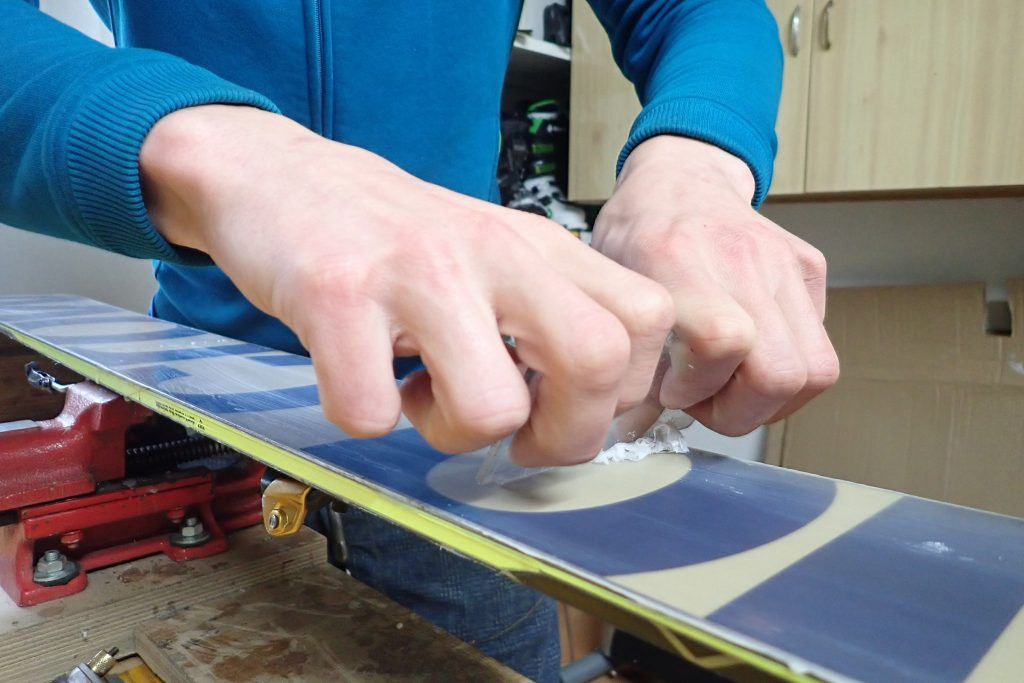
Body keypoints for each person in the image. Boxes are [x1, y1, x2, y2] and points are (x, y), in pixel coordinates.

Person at [0, 1, 839, 680]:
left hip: (459, 436)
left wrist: (695, 163)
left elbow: (703, 9)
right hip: (196, 411)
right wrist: (217, 153)